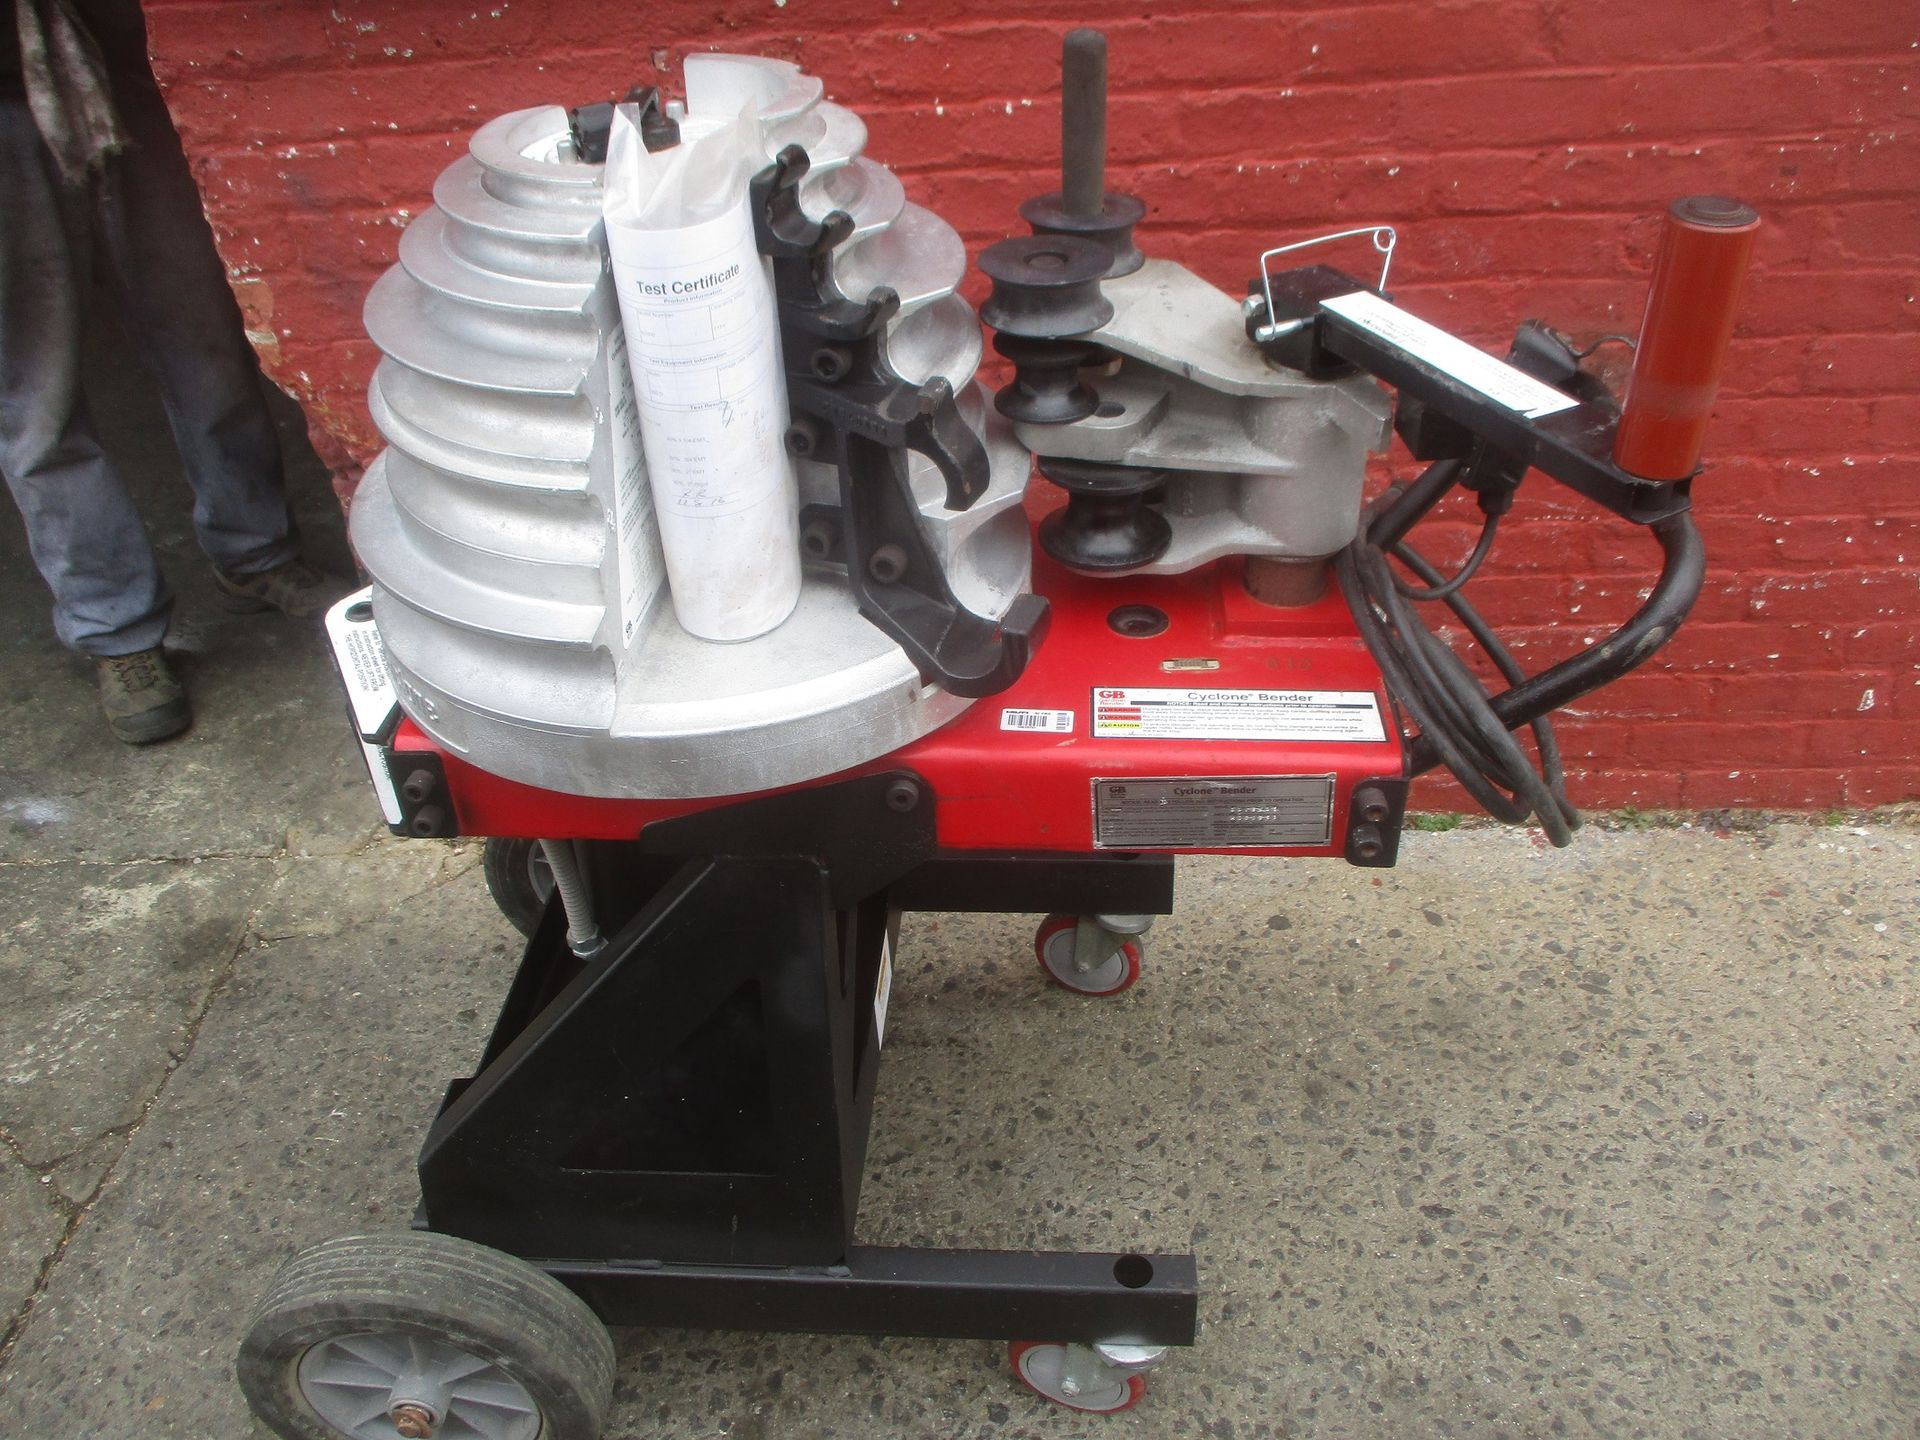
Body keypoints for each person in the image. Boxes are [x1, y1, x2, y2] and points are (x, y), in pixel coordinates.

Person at [0, 0, 344, 744]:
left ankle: (255, 551)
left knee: (202, 338)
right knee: (37, 399)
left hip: (120, 57)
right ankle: (117, 630)